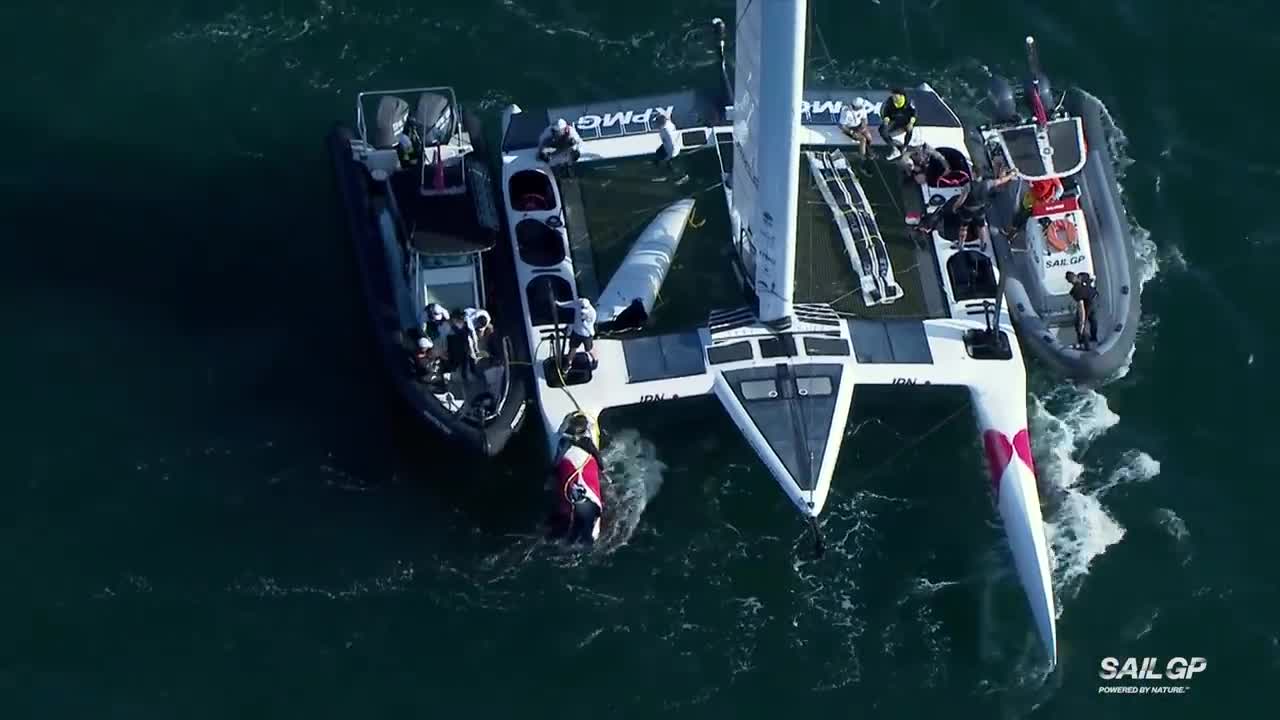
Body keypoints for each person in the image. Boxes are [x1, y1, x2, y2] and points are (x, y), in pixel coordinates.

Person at [953, 169, 1017, 247]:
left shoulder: (968, 186)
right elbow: (1001, 180)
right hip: (980, 209)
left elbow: (961, 200)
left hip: (968, 210)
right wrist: (1011, 175)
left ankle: (961, 245)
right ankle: (982, 244)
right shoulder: (988, 183)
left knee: (964, 228)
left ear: (973, 174)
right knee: (981, 226)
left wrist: (955, 207)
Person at [554, 296, 598, 369]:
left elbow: (589, 327)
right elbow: (569, 304)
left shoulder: (592, 313)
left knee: (589, 349)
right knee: (573, 348)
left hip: (586, 335)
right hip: (576, 332)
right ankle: (569, 364)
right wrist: (559, 304)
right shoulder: (578, 304)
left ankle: (595, 360)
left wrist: (585, 322)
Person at [879, 89, 917, 157]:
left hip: (905, 120)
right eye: (893, 96)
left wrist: (911, 123)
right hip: (894, 120)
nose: (894, 98)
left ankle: (905, 146)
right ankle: (894, 148)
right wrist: (886, 119)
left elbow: (914, 113)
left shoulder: (908, 101)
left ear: (901, 95)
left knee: (910, 130)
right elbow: (885, 112)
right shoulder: (889, 101)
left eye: (896, 96)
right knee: (882, 130)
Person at [1066, 271, 1099, 350]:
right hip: (1094, 297)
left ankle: (1084, 344)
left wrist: (1082, 323)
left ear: (1069, 281)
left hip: (1088, 304)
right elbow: (1091, 278)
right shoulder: (1083, 276)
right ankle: (1094, 338)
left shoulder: (1076, 291)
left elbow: (1082, 309)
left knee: (1080, 325)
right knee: (1093, 319)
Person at [443, 308, 480, 378]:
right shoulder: (449, 324)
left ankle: (471, 373)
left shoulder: (465, 323)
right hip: (455, 346)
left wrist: (475, 346)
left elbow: (469, 332)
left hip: (464, 346)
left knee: (466, 362)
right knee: (458, 363)